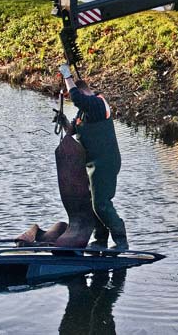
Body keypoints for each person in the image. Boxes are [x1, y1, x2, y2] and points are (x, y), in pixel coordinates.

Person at [59, 63, 129, 251]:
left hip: (105, 163)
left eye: (75, 94)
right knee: (93, 204)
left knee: (101, 204)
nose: (73, 99)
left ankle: (121, 240)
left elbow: (76, 98)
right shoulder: (85, 111)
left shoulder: (97, 104)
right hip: (92, 163)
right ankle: (100, 240)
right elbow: (72, 131)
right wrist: (64, 122)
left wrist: (67, 76)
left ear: (84, 93)